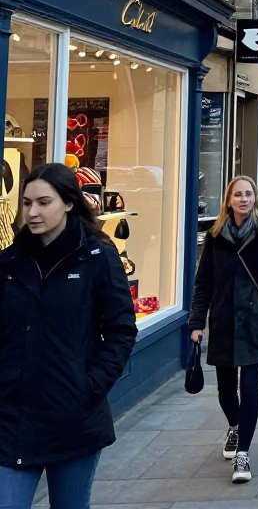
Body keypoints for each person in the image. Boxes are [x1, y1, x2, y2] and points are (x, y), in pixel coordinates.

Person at [0, 163, 136, 509]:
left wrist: (88, 388)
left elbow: (121, 331)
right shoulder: (10, 262)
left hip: (73, 420)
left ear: (69, 203)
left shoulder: (97, 257)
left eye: (44, 202)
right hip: (13, 419)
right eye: (27, 203)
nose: (32, 212)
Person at [189, 175, 258, 483]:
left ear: (255, 198)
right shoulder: (216, 236)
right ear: (229, 200)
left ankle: (243, 454)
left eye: (248, 194)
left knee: (249, 387)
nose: (244, 199)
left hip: (254, 322)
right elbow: (203, 281)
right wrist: (196, 322)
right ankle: (234, 426)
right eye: (238, 195)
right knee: (224, 390)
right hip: (222, 322)